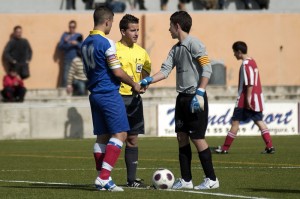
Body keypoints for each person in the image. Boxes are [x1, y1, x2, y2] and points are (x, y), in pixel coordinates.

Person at [140, 11, 219, 190]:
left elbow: (207, 69)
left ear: (177, 26)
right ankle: (186, 180)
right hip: (182, 98)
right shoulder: (175, 49)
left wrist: (200, 92)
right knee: (181, 137)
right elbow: (165, 71)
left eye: (170, 26)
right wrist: (148, 80)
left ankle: (212, 179)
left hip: (195, 97)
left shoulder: (195, 44)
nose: (168, 29)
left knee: (197, 138)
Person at [81, 6, 141, 192]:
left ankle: (102, 179)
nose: (111, 26)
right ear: (107, 21)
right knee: (121, 134)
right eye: (112, 23)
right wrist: (134, 83)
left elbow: (86, 71)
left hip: (94, 94)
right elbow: (116, 71)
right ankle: (104, 177)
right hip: (108, 93)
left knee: (102, 137)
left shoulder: (85, 43)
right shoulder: (106, 43)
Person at [215, 41, 275, 154]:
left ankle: (225, 148)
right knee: (259, 121)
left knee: (235, 123)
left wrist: (247, 99)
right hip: (256, 99)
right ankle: (270, 146)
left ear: (239, 52)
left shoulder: (245, 64)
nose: (234, 55)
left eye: (234, 52)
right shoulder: (252, 61)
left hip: (244, 100)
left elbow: (250, 83)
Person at [116, 14, 151, 187]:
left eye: (138, 30)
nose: (136, 33)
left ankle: (131, 180)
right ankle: (105, 176)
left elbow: (146, 71)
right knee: (115, 138)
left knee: (133, 139)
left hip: (135, 100)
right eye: (132, 30)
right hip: (117, 98)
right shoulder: (114, 49)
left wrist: (144, 84)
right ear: (123, 31)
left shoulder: (141, 52)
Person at [58, 20, 83, 87]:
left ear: (75, 27)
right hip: (68, 59)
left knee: (77, 76)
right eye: (70, 27)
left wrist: (76, 43)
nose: (71, 28)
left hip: (77, 59)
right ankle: (64, 92)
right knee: (65, 76)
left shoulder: (78, 35)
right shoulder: (65, 35)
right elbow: (60, 47)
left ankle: (76, 91)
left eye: (73, 27)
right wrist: (68, 43)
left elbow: (82, 47)